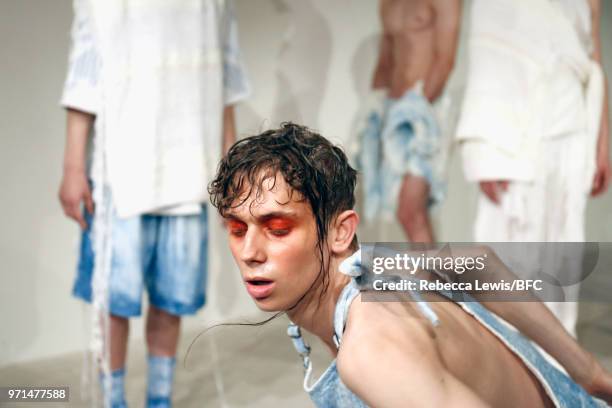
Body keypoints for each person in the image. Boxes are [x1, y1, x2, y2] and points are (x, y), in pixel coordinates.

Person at [209, 123, 612, 407]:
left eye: (277, 228)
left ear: (340, 231)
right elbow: (480, 264)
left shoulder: (370, 352)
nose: (249, 252)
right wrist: (589, 370)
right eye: (237, 228)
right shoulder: (380, 264)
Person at [58, 1, 250, 406]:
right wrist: (74, 166)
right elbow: (85, 76)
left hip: (190, 166)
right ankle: (113, 399)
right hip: (120, 170)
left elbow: (225, 78)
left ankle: (158, 399)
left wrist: (231, 169)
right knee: (114, 300)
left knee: (171, 297)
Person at [456, 0, 610, 336]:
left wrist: (602, 142)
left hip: (572, 128)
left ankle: (555, 365)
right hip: (514, 134)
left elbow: (593, 61)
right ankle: (504, 361)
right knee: (509, 253)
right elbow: (489, 51)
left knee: (561, 253)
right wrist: (487, 146)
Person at [353, 0, 462, 243]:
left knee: (411, 210)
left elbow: (445, 60)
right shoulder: (387, 3)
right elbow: (386, 62)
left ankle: (435, 281)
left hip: (426, 110)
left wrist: (418, 108)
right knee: (398, 210)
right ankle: (427, 278)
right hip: (392, 112)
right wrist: (373, 115)